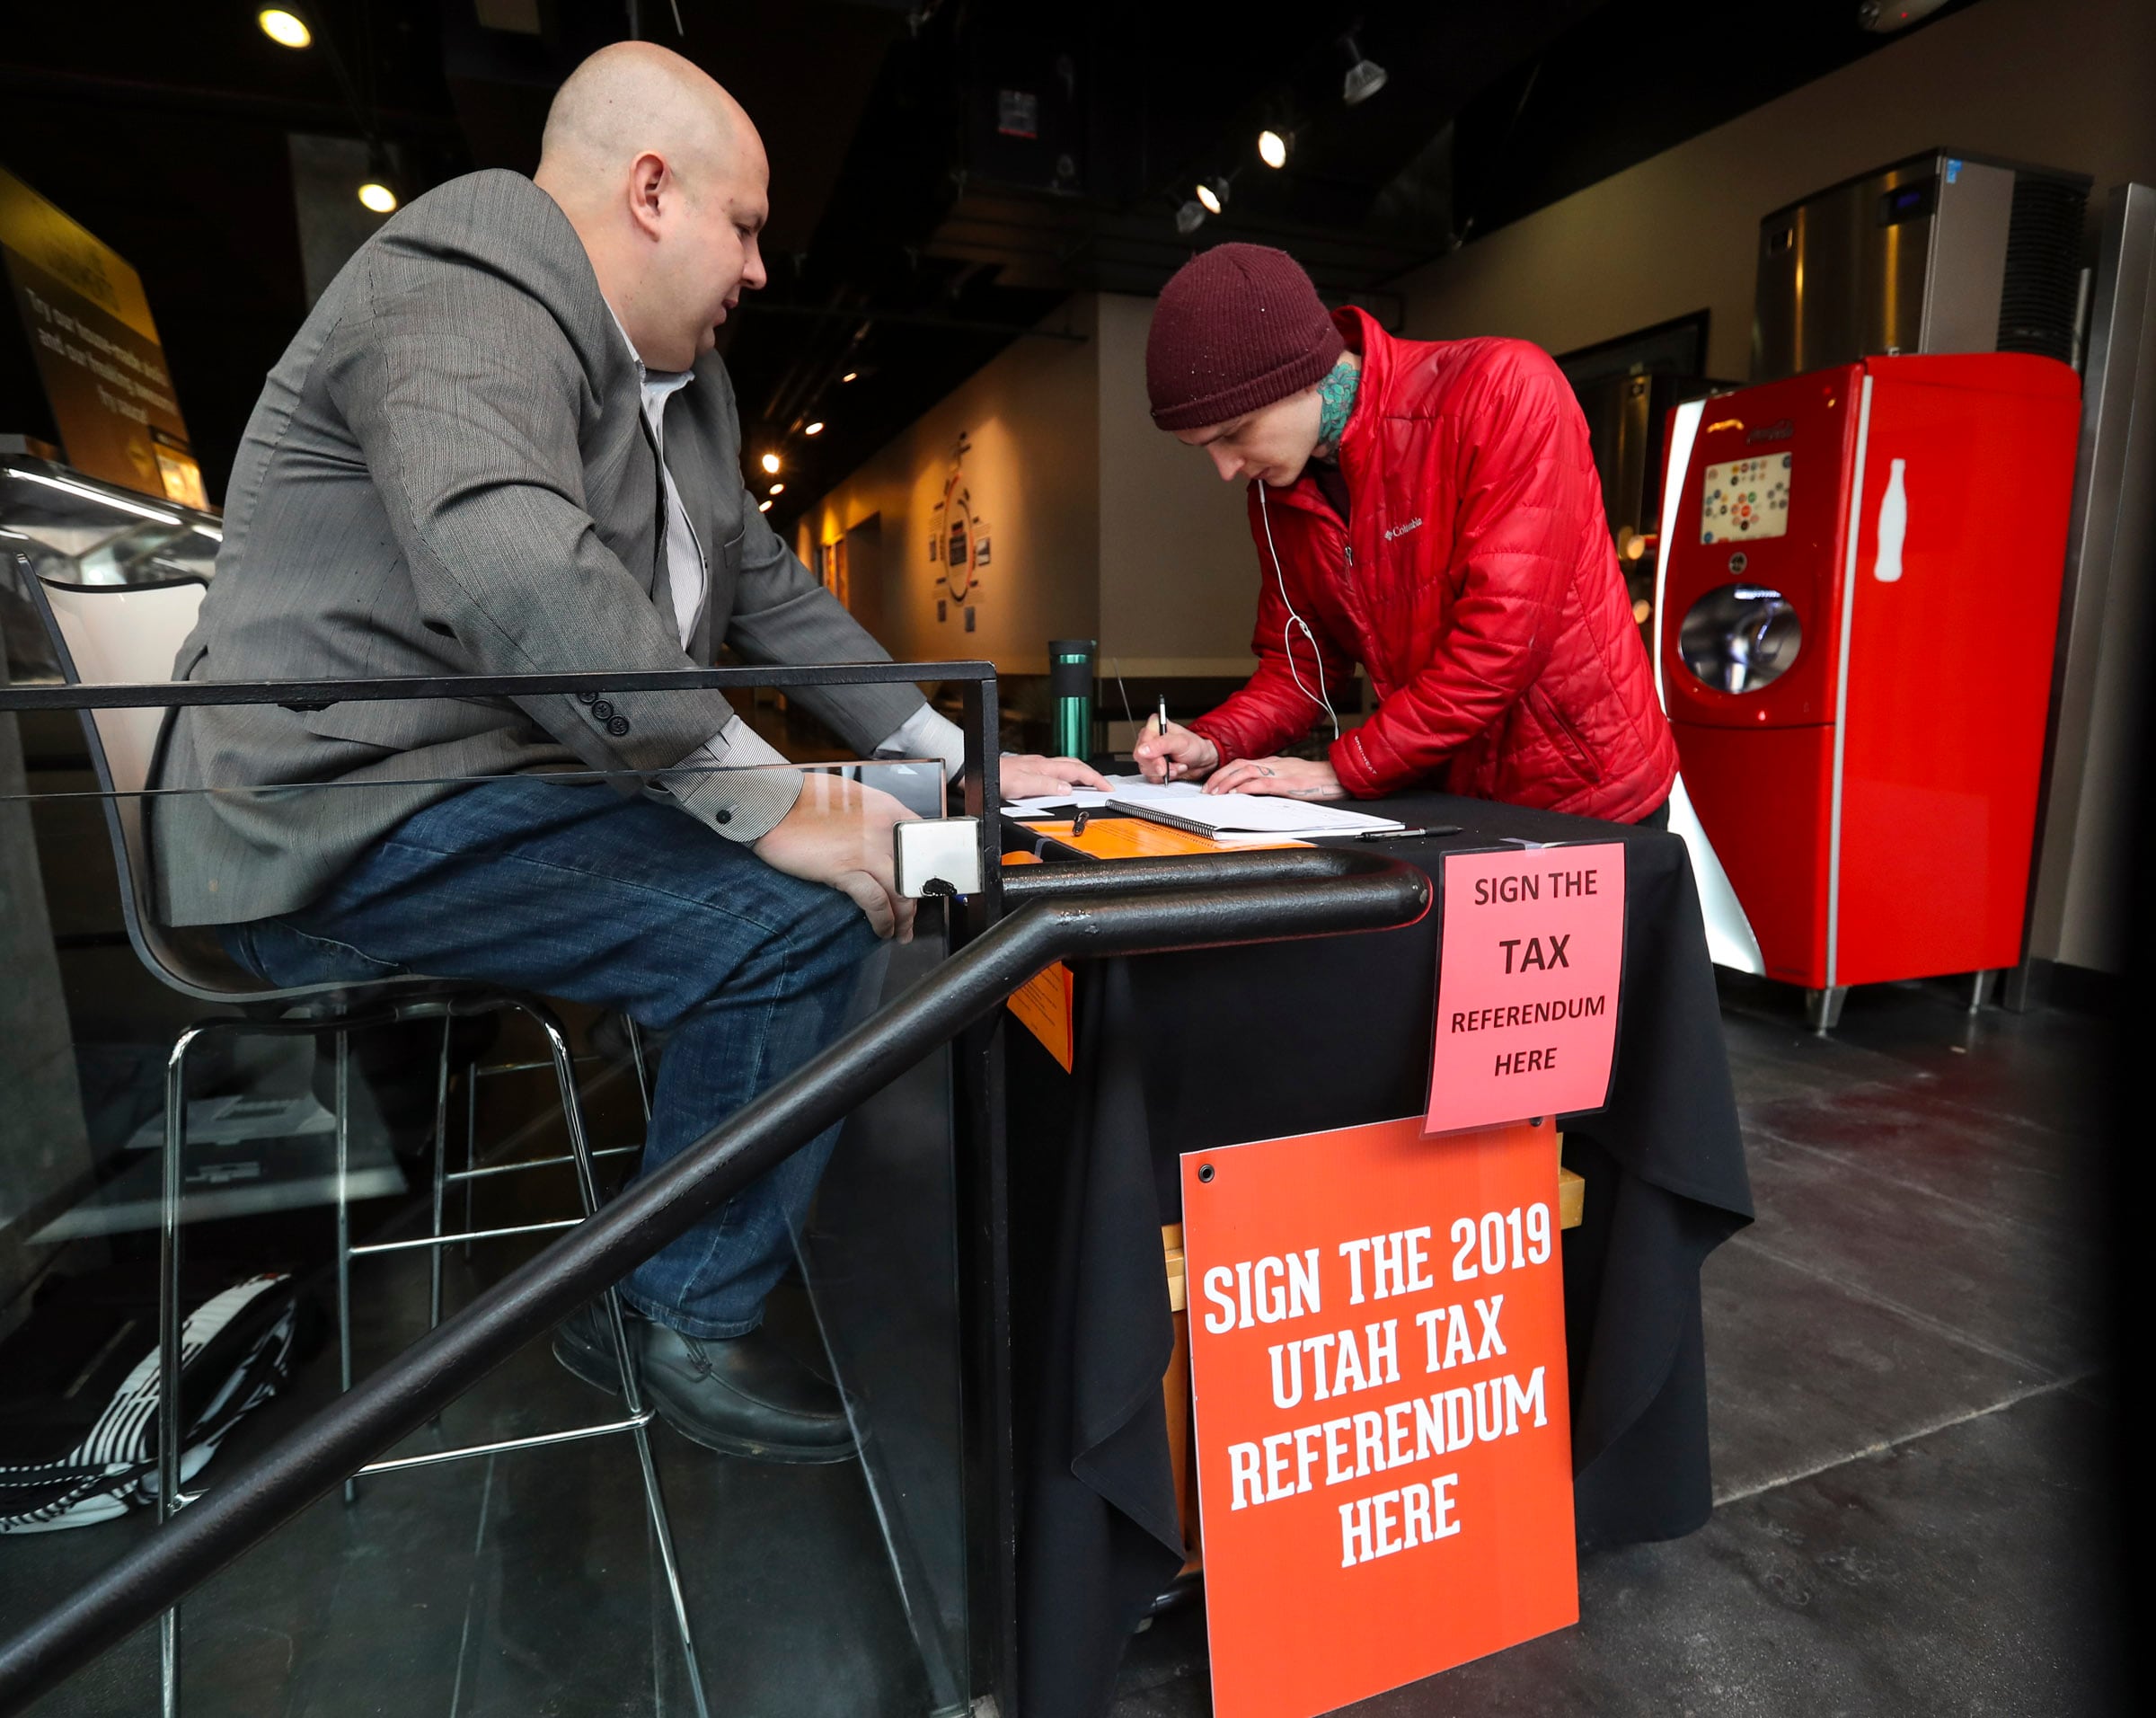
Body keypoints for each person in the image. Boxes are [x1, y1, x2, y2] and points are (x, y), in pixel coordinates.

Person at [150, 41, 1104, 1462]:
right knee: (787, 924)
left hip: (471, 798)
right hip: (328, 823)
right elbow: (515, 569)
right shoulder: (462, 272)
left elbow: (766, 590)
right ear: (651, 191)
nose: (761, 267)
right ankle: (682, 1309)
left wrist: (956, 753)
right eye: (746, 225)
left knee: (798, 902)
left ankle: (658, 1267)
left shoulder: (690, 390)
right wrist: (770, 802)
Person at [1132, 244, 1677, 825]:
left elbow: (1500, 645)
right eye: (1203, 448)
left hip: (1588, 798)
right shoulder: (1279, 491)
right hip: (1447, 797)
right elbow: (1301, 666)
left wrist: (1346, 768)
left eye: (1234, 433)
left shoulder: (1504, 389)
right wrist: (1213, 742)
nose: (1225, 468)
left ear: (1302, 376)